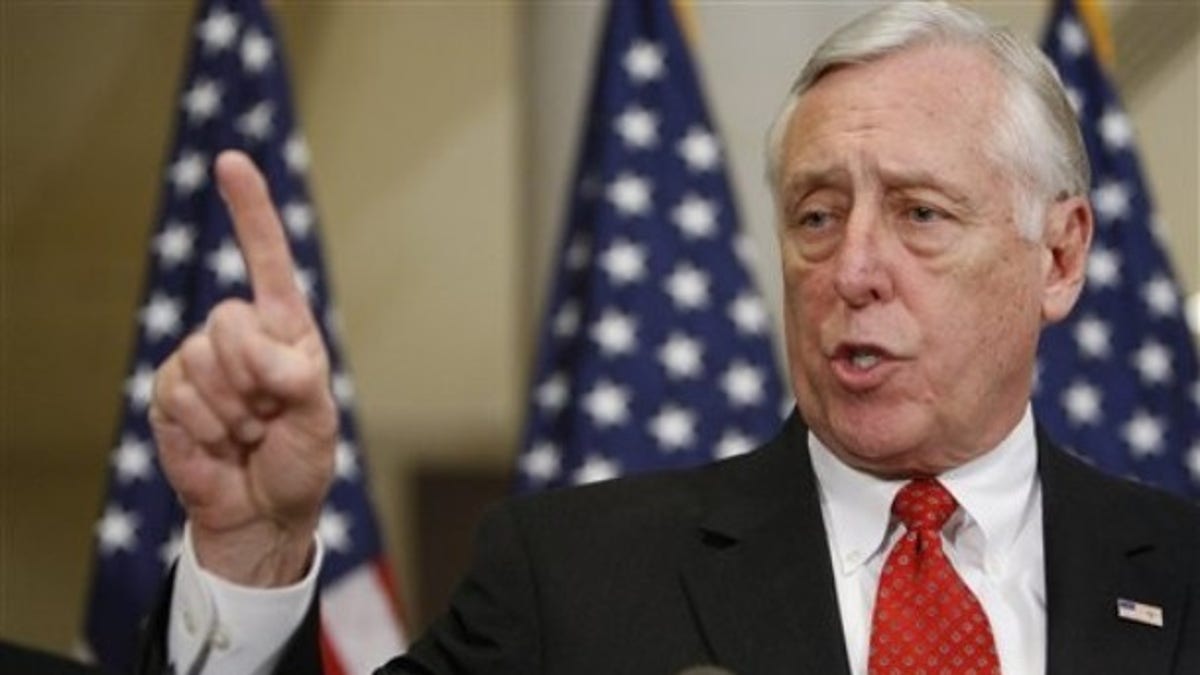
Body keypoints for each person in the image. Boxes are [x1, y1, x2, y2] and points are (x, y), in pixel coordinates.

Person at [139, 3, 1200, 674]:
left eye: (921, 214)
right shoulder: (574, 582)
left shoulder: (1183, 572)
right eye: (818, 215)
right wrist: (252, 552)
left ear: (1059, 259)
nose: (854, 269)